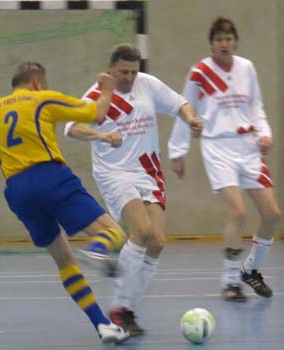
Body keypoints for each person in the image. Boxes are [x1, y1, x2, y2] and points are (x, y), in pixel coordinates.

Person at [0, 61, 130, 344]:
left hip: (17, 190)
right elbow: (96, 112)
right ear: (38, 81)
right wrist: (107, 89)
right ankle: (98, 249)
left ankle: (103, 325)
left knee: (64, 260)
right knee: (115, 233)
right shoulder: (42, 99)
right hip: (49, 177)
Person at [64, 43, 203, 335]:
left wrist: (191, 119)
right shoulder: (97, 95)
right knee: (142, 231)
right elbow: (72, 129)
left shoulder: (147, 85)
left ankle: (128, 309)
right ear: (111, 68)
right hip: (115, 172)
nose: (128, 77)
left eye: (133, 72)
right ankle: (116, 308)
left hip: (148, 170)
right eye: (123, 72)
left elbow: (179, 103)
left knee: (158, 242)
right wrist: (101, 134)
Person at [168, 17, 281, 302]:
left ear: (236, 42)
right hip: (217, 148)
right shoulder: (200, 73)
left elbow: (256, 106)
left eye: (229, 38)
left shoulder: (247, 68)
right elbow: (186, 109)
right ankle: (230, 282)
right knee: (239, 212)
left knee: (272, 215)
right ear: (212, 43)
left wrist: (265, 134)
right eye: (219, 39)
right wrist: (177, 151)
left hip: (248, 147)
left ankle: (250, 270)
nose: (224, 43)